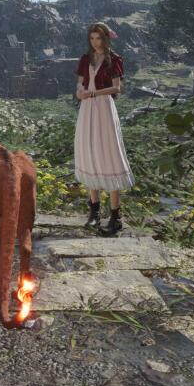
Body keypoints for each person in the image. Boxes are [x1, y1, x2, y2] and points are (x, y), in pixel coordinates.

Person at [73, 22, 135, 236]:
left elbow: (117, 88)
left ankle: (116, 216)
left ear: (106, 38)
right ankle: (94, 212)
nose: (95, 42)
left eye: (98, 38)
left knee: (108, 154)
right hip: (87, 109)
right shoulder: (85, 59)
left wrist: (92, 93)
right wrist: (80, 91)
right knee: (90, 153)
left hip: (104, 109)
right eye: (92, 38)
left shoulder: (114, 59)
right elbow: (80, 83)